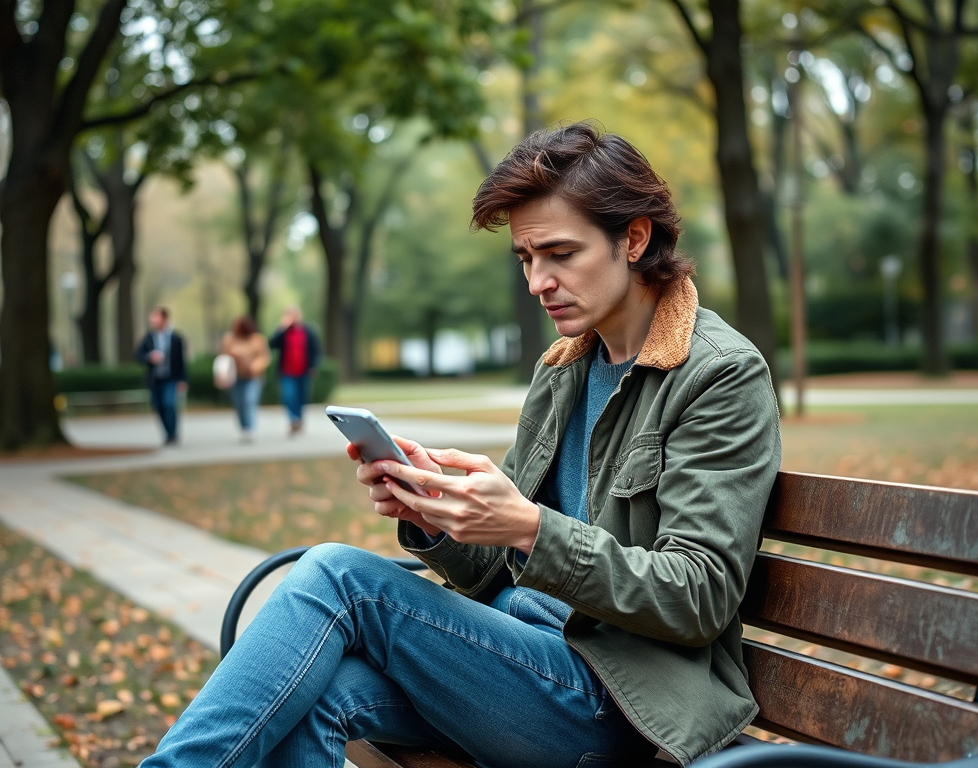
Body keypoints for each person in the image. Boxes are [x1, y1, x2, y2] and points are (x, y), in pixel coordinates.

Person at [138, 122, 781, 768]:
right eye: (527, 259)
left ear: (634, 239)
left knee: (342, 578)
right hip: (515, 659)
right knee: (319, 692)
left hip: (619, 702)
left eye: (560, 254)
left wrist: (531, 528)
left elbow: (699, 595)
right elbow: (494, 569)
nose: (538, 281)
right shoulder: (562, 371)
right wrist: (435, 517)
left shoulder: (717, 374)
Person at [134, 306, 188, 446]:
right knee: (158, 406)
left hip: (171, 378)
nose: (153, 322)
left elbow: (182, 361)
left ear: (164, 319)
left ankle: (173, 434)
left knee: (169, 404)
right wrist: (149, 357)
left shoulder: (176, 338)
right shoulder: (148, 337)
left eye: (156, 318)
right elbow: (138, 355)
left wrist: (183, 380)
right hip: (155, 379)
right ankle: (167, 433)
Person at [269, 306, 320, 436]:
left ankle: (299, 419)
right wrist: (281, 327)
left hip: (304, 371)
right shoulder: (283, 332)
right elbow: (272, 344)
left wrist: (313, 366)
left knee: (302, 397)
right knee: (288, 396)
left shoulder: (308, 331)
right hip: (287, 372)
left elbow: (316, 350)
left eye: (294, 315)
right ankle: (293, 420)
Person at [220, 316, 271, 442]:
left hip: (253, 377)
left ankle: (249, 428)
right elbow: (224, 355)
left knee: (249, 400)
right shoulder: (229, 339)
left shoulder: (258, 339)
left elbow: (264, 357)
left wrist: (256, 366)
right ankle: (243, 427)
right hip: (235, 376)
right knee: (239, 403)